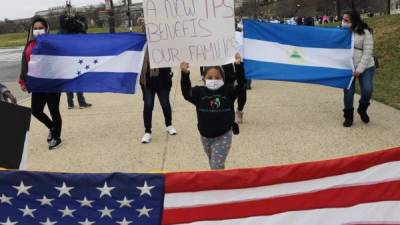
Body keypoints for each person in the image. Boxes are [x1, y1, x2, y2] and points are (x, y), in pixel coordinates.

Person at [180, 53, 244, 170]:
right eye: (210, 77)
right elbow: (186, 93)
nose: (213, 80)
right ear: (204, 79)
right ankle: (218, 180)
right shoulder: (199, 92)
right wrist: (185, 74)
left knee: (216, 166)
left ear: (223, 79)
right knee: (212, 162)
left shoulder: (228, 91)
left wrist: (238, 66)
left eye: (217, 77)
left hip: (223, 135)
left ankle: (219, 185)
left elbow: (240, 85)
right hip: (205, 136)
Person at [19, 16, 62, 150]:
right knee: (36, 111)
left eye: (40, 28)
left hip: (51, 83)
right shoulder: (29, 44)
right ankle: (52, 127)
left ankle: (56, 137)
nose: (38, 30)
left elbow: (60, 61)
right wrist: (22, 80)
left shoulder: (52, 43)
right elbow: (24, 63)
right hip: (37, 84)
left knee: (53, 110)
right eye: (35, 28)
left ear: (46, 28)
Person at [341, 11, 376, 127]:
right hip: (348, 68)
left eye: (346, 20)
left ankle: (362, 109)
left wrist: (359, 69)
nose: (343, 22)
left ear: (354, 20)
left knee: (367, 89)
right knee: (348, 93)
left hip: (365, 67)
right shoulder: (341, 32)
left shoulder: (366, 32)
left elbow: (367, 53)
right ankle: (348, 116)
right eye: (343, 19)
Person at [139, 50, 177, 144]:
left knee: (165, 103)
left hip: (163, 80)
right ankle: (147, 131)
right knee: (148, 105)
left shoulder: (163, 44)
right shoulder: (142, 44)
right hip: (147, 81)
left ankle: (169, 125)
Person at [60, 6, 92, 110]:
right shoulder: (66, 21)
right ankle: (80, 102)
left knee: (71, 77)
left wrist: (73, 20)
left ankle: (71, 103)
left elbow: (83, 27)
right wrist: (72, 20)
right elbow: (81, 28)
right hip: (74, 51)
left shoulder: (74, 20)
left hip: (70, 52)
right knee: (77, 76)